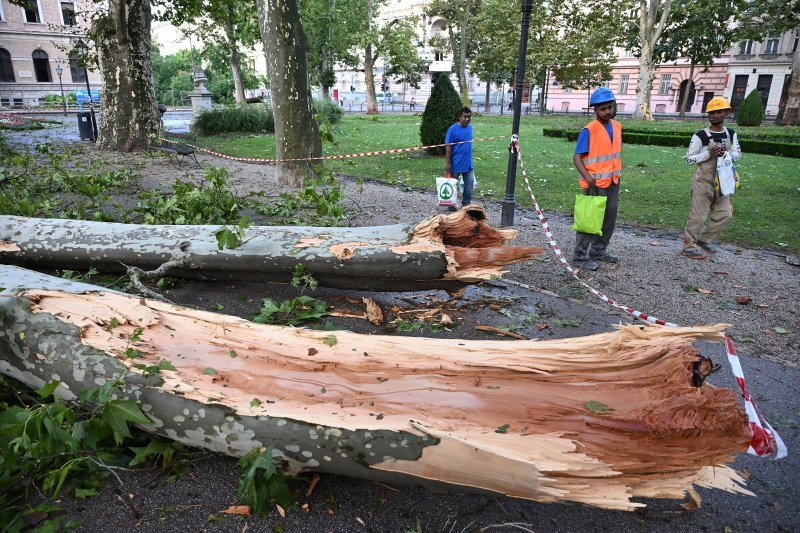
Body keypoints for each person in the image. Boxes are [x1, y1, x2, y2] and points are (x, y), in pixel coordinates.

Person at [681, 97, 741, 259]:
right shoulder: (700, 135)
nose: (714, 115)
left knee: (725, 214)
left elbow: (737, 155)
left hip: (723, 183)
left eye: (718, 112)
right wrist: (708, 154)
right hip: (703, 183)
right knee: (698, 217)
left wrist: (726, 153)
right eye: (711, 112)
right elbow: (688, 159)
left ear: (727, 113)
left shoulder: (731, 134)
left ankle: (703, 239)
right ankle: (689, 246)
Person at [572, 87, 621, 271]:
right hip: (594, 183)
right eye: (603, 109)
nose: (607, 111)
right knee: (589, 220)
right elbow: (577, 158)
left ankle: (599, 251)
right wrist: (588, 178)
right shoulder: (589, 130)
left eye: (609, 107)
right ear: (595, 110)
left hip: (613, 181)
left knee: (609, 219)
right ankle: (580, 256)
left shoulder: (616, 126)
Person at [445, 107, 475, 210]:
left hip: (468, 163)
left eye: (469, 117)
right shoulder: (453, 129)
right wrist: (448, 163)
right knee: (452, 184)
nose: (467, 119)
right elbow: (448, 146)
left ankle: (466, 204)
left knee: (469, 184)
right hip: (455, 163)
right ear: (459, 117)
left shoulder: (470, 127)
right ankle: (451, 204)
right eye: (465, 117)